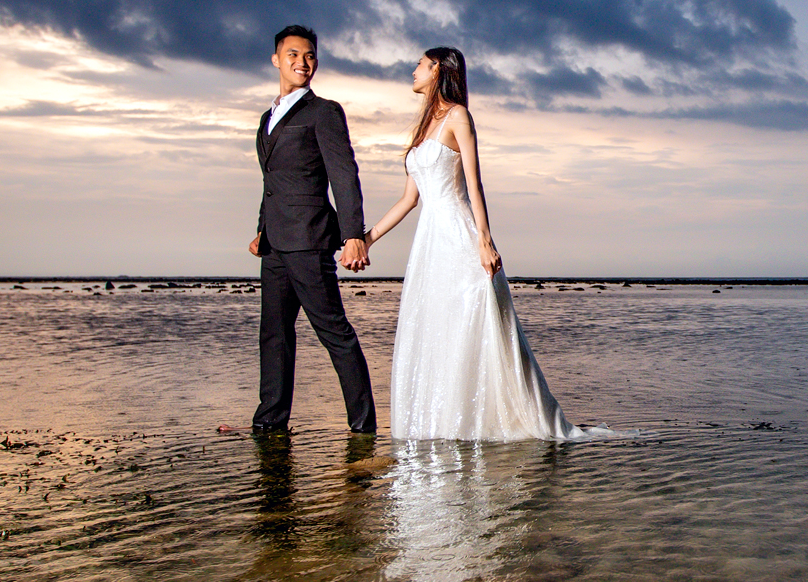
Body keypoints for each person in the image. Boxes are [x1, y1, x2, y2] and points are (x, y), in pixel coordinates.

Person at [363, 46, 586, 441]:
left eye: (420, 64)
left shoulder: (459, 116)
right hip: (429, 244)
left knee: (470, 325)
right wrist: (368, 239)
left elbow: (473, 183)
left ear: (437, 71)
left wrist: (485, 240)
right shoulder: (422, 128)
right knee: (434, 329)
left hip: (458, 235)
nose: (413, 69)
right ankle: (441, 423)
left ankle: (478, 421)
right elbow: (408, 200)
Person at [245, 25, 376, 436]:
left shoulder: (325, 112)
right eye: (294, 55)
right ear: (276, 59)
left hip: (310, 239)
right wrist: (260, 230)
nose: (303, 62)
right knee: (275, 335)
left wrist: (353, 233)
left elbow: (343, 174)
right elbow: (274, 181)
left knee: (334, 331)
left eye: (310, 56)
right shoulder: (269, 117)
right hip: (275, 245)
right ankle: (270, 421)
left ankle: (363, 426)